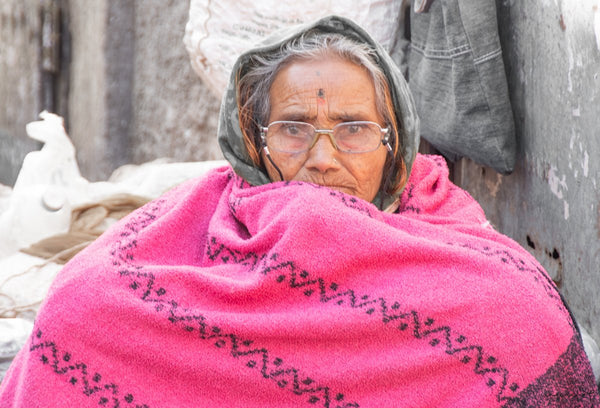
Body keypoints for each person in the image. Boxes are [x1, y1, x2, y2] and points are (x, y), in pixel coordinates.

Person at [0, 15, 598, 407]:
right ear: (254, 143)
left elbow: (523, 331)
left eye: (355, 129)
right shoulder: (200, 216)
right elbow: (83, 306)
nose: (323, 159)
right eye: (293, 129)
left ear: (397, 143)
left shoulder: (458, 246)